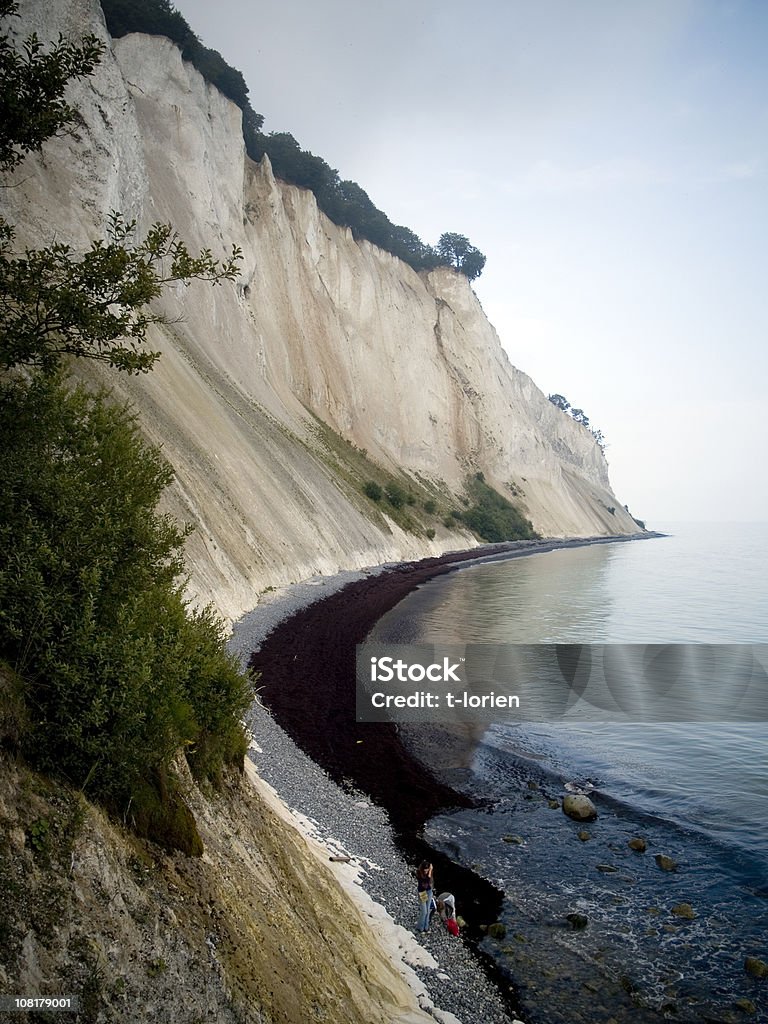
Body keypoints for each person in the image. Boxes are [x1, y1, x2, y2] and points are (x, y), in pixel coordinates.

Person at [416, 860, 434, 932]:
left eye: (427, 870)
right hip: (422, 892)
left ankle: (426, 927)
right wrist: (430, 872)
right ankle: (420, 927)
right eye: (425, 871)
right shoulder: (419, 874)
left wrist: (430, 872)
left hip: (429, 891)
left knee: (428, 909)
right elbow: (425, 883)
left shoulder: (429, 873)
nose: (426, 872)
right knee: (424, 911)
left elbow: (430, 882)